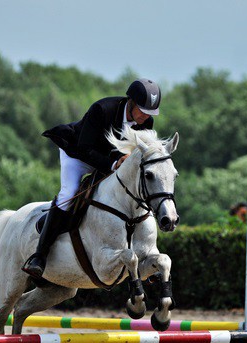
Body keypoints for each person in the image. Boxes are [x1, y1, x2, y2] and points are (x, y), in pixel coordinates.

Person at [22, 78, 162, 278]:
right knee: (69, 193)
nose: (145, 116)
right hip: (78, 154)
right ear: (130, 102)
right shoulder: (102, 109)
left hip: (111, 161)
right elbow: (85, 149)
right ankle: (39, 255)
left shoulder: (146, 121)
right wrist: (114, 165)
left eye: (150, 113)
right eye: (142, 110)